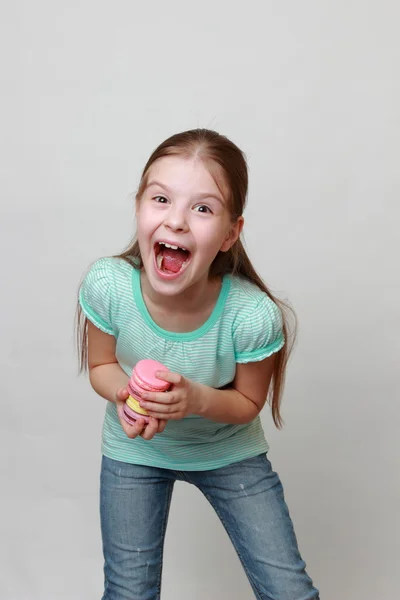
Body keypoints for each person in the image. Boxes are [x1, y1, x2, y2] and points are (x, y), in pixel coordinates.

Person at [76, 129, 320, 600]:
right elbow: (102, 366)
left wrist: (194, 400)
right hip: (136, 452)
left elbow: (248, 402)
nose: (177, 221)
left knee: (289, 591)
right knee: (129, 592)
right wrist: (129, 396)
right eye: (161, 199)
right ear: (138, 207)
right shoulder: (107, 285)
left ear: (231, 233)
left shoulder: (251, 316)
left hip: (229, 451)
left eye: (202, 208)